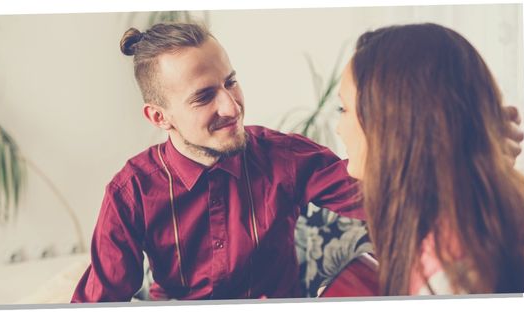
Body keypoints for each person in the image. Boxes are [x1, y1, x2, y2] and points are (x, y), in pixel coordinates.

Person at [71, 22, 365, 302]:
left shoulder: (284, 156)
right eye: (203, 97)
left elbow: (386, 197)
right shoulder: (131, 192)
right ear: (159, 117)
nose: (232, 106)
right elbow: (100, 300)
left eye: (231, 82)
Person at [335, 23, 524, 295]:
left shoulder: (450, 275)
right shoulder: (472, 224)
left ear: (392, 123)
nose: (338, 128)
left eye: (343, 109)